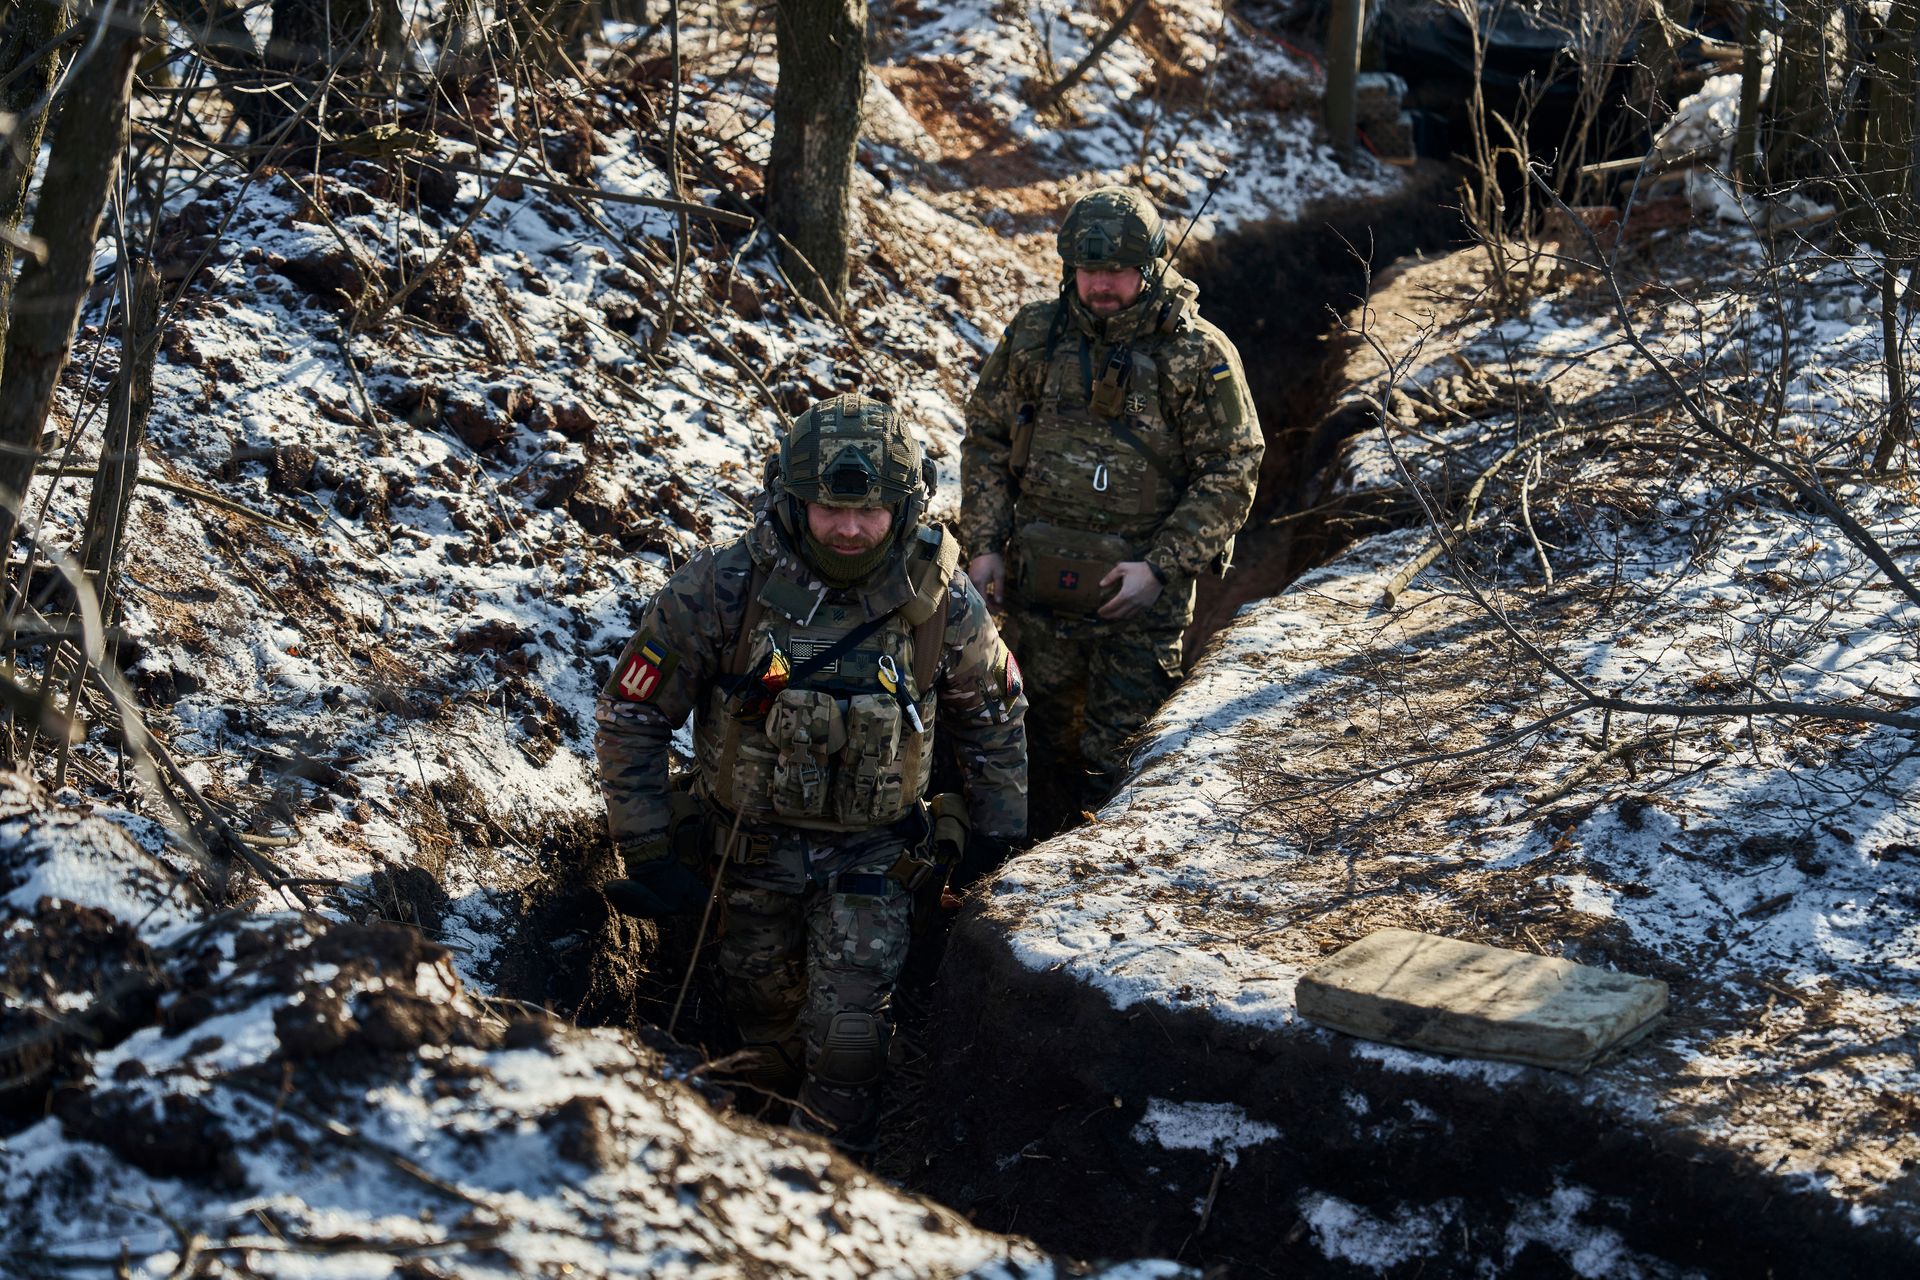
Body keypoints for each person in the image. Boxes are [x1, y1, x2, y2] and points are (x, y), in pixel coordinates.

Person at [594, 393, 1027, 1148]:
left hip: (875, 862)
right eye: (830, 510)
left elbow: (993, 722)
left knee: (848, 1042)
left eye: (871, 513)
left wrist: (998, 842)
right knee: (765, 1036)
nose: (851, 530)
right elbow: (632, 715)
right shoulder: (725, 590)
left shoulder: (940, 604)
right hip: (745, 859)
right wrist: (650, 849)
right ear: (792, 500)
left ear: (906, 504)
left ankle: (836, 1189)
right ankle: (757, 1159)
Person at [960, 184, 1262, 827]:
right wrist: (984, 546)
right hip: (1037, 592)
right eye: (1088, 269)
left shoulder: (1197, 355)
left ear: (1148, 267)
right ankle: (1016, 876)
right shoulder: (1034, 338)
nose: (1100, 285)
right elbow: (986, 438)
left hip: (1138, 604)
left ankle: (1096, 879)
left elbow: (1232, 468)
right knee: (1030, 743)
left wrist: (1158, 566)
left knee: (1119, 758)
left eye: (1117, 271)